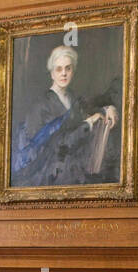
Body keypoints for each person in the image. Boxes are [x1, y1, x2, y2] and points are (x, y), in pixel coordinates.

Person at [11, 45, 121, 187]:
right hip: (49, 175)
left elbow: (91, 110)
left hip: (73, 170)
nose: (64, 73)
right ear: (52, 73)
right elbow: (60, 144)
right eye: (59, 69)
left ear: (73, 71)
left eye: (68, 68)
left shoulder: (74, 98)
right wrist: (88, 124)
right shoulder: (41, 106)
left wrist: (107, 109)